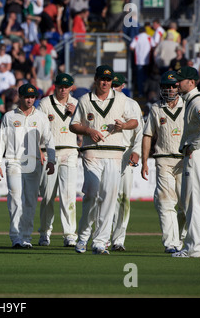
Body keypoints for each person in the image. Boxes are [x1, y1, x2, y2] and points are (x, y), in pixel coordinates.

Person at [69, 65, 138, 255]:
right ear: (96, 80)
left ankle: (100, 242)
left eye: (108, 80)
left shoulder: (121, 99)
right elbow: (73, 125)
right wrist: (89, 130)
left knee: (108, 196)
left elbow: (135, 122)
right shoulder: (84, 100)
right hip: (91, 152)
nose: (105, 83)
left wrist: (123, 125)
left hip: (115, 154)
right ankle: (83, 236)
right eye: (102, 79)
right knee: (91, 194)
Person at [0, 83, 55, 249]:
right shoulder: (9, 117)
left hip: (33, 161)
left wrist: (52, 159)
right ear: (19, 97)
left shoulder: (41, 117)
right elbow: (1, 141)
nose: (29, 100)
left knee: (30, 200)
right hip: (13, 160)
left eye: (32, 97)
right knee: (15, 196)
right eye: (26, 97)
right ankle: (16, 236)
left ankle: (26, 236)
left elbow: (49, 139)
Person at [141, 71, 186, 253]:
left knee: (186, 206)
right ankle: (171, 243)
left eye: (173, 86)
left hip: (185, 161)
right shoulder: (155, 108)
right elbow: (148, 135)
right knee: (165, 202)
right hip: (163, 160)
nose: (169, 89)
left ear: (179, 87)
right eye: (166, 86)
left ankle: (182, 239)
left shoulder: (188, 106)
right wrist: (145, 161)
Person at [37, 73, 79, 247]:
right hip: (49, 153)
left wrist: (74, 114)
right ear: (55, 86)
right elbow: (37, 127)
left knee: (68, 195)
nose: (63, 89)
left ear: (71, 87)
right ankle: (45, 233)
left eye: (66, 86)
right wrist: (39, 149)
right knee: (47, 196)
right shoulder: (45, 103)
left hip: (70, 151)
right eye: (60, 86)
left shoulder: (76, 104)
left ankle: (70, 234)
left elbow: (85, 125)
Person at [172, 66, 200, 258]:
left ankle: (193, 248)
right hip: (198, 153)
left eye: (181, 80)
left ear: (191, 82)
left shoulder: (197, 101)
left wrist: (194, 145)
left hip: (197, 154)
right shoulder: (192, 100)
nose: (177, 83)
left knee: (193, 203)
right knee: (193, 203)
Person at [110, 73, 144, 251]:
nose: (114, 88)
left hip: (125, 152)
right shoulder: (102, 102)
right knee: (105, 196)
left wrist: (136, 151)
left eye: (117, 85)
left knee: (123, 198)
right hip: (106, 154)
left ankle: (119, 239)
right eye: (111, 84)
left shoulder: (132, 104)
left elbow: (140, 131)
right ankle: (103, 236)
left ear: (123, 85)